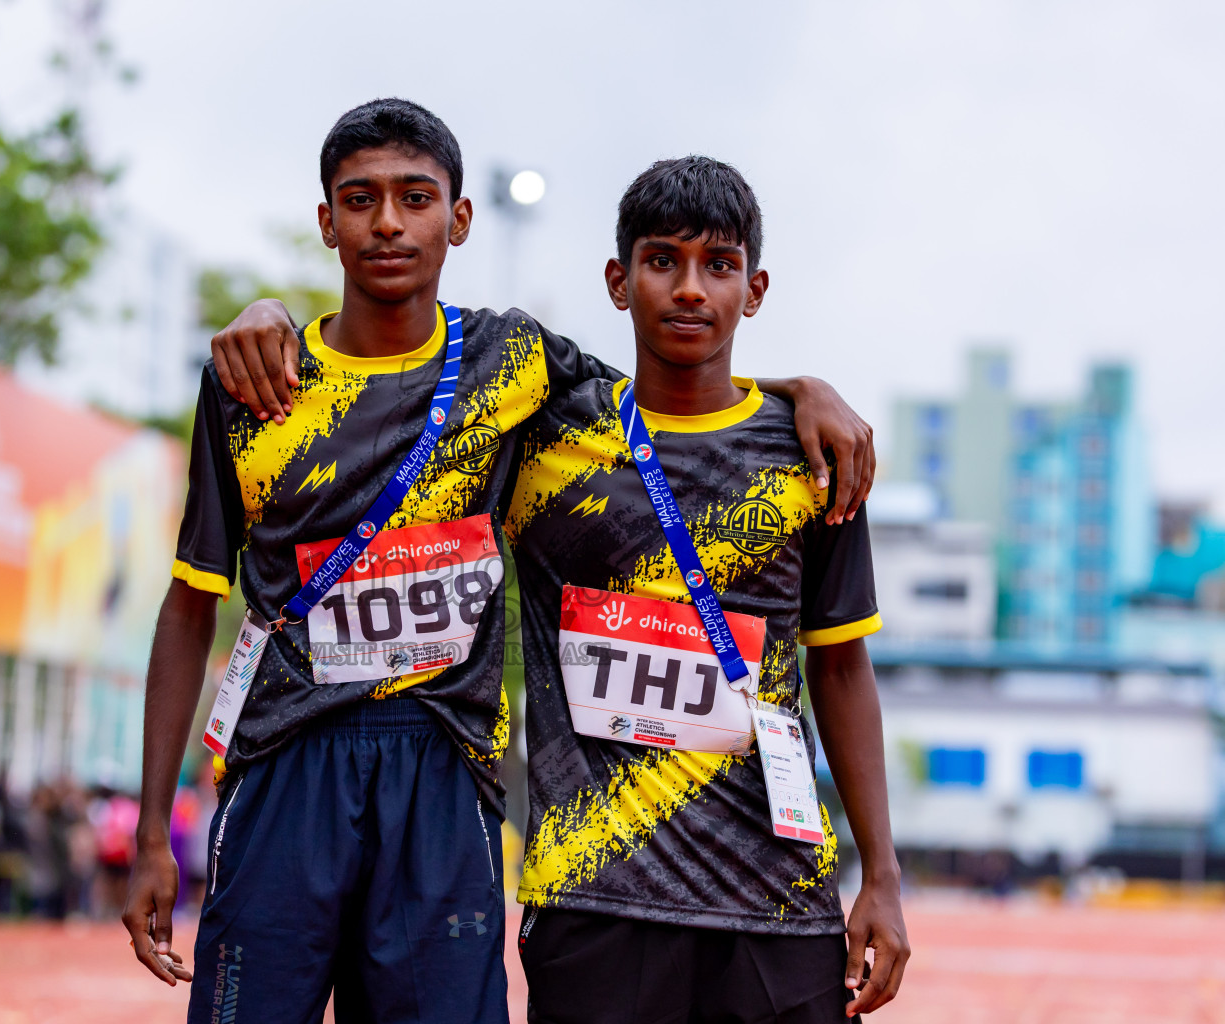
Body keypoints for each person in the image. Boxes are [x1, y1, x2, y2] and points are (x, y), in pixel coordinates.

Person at [124, 98, 874, 1024]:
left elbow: (676, 375)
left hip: (446, 769)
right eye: (360, 200)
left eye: (415, 197)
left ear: (460, 218)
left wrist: (804, 389)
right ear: (327, 221)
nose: (389, 221)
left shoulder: (510, 363)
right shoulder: (253, 381)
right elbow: (188, 600)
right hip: (287, 761)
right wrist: (152, 826)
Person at [504, 156, 908, 1022]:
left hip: (775, 901)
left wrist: (882, 874)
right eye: (663, 261)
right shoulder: (541, 442)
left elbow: (841, 670)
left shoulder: (815, 459)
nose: (691, 289)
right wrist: (272, 316)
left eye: (718, 265)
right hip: (592, 898)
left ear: (753, 288)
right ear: (620, 280)